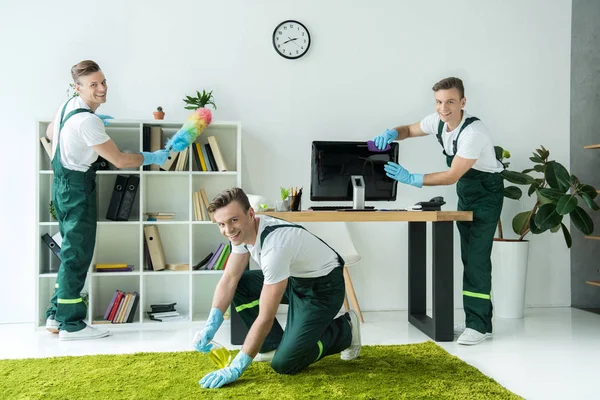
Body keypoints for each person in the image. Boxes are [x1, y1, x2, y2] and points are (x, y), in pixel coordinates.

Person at [372, 77, 503, 346]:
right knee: (469, 257)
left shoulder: (473, 133)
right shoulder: (439, 121)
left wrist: (412, 178)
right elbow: (409, 129)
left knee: (477, 260)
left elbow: (452, 175)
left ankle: (477, 326)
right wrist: (392, 133)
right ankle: (479, 322)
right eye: (439, 102)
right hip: (468, 193)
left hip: (487, 194)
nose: (444, 108)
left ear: (463, 102)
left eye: (450, 102)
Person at [45, 60, 169, 340]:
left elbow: (51, 133)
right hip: (77, 189)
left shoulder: (68, 107)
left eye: (103, 81)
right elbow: (120, 160)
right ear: (79, 87)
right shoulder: (87, 120)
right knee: (78, 255)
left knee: (69, 253)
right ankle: (71, 324)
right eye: (93, 85)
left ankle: (55, 316)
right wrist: (151, 157)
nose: (101, 88)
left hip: (62, 187)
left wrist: (85, 129)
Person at [192, 188, 361, 389]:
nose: (228, 230)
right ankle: (272, 345)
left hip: (324, 288)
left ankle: (346, 330)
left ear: (251, 214)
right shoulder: (241, 233)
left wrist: (238, 366)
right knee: (240, 285)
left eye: (233, 220)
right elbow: (229, 278)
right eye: (221, 224)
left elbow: (266, 316)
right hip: (295, 279)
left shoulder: (275, 246)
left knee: (285, 363)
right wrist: (211, 324)